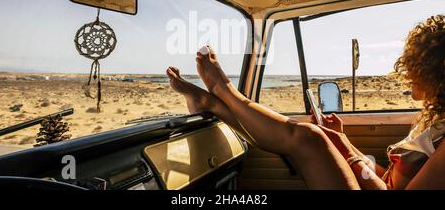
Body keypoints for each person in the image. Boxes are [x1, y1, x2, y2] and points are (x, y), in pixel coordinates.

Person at [166, 15, 445, 189]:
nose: (406, 71)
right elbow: (389, 181)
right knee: (315, 136)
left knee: (309, 137)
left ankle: (222, 90)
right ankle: (214, 103)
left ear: (437, 71)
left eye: (416, 64)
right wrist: (342, 141)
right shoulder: (433, 122)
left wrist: (346, 153)